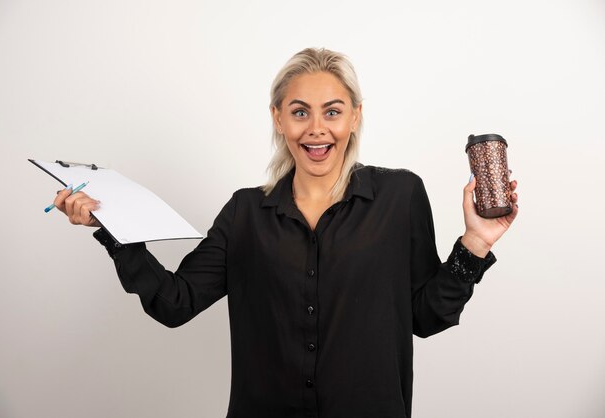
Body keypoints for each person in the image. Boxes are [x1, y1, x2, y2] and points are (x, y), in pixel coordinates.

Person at [53, 48, 519, 418]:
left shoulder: (400, 196)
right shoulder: (245, 213)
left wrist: (475, 243)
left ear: (355, 116)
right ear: (278, 118)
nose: (317, 129)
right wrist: (114, 229)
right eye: (300, 112)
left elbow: (424, 317)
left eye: (332, 112)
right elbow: (175, 304)